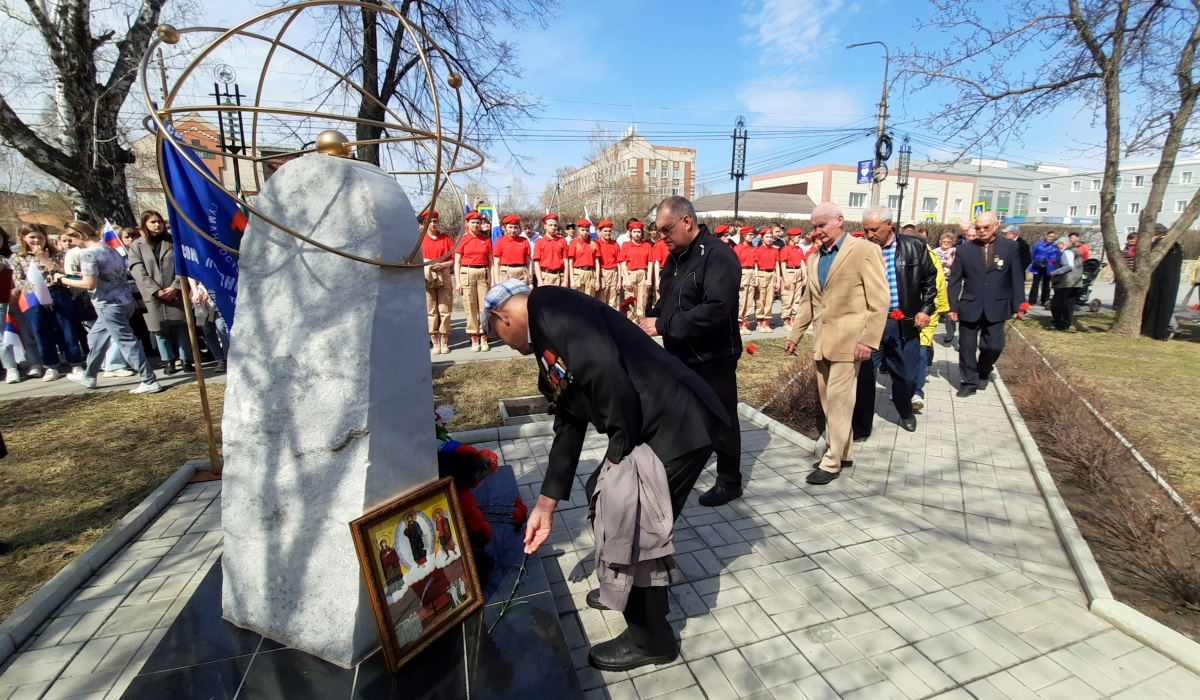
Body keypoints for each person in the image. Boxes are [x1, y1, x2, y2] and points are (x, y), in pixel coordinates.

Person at [488, 280, 728, 671]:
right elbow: (569, 421)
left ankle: (651, 639)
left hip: (679, 424)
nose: (514, 348)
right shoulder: (550, 326)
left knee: (629, 519)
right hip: (659, 424)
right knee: (605, 498)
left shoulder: (550, 306)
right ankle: (625, 587)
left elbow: (605, 371)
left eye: (502, 338)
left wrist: (618, 455)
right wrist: (545, 506)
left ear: (502, 317)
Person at [639, 196, 744, 507]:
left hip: (713, 357)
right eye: (657, 232)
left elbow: (716, 309)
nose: (662, 237)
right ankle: (674, 471)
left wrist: (663, 325)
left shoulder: (718, 256)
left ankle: (729, 481)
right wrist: (651, 315)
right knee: (677, 417)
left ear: (687, 221)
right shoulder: (674, 258)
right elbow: (671, 302)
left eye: (666, 229)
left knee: (721, 420)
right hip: (679, 355)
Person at [785, 202, 888, 484]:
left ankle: (831, 462)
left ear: (839, 221)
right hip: (823, 341)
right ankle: (845, 452)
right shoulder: (815, 258)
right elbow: (808, 301)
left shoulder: (865, 251)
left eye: (822, 225)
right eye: (814, 226)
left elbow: (879, 301)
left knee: (840, 402)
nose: (816, 231)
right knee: (829, 402)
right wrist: (795, 335)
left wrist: (868, 340)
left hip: (850, 341)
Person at [54, 221, 162, 394]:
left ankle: (149, 380)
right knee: (96, 338)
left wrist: (61, 279)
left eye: (72, 239)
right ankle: (89, 375)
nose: (72, 244)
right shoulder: (110, 248)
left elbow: (90, 284)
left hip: (108, 305)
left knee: (127, 342)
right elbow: (110, 273)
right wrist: (83, 275)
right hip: (125, 301)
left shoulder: (88, 254)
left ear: (80, 236)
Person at [860, 205, 938, 432]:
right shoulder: (864, 250)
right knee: (864, 376)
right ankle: (862, 424)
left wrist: (925, 309)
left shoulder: (914, 247)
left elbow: (929, 280)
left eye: (874, 229)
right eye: (866, 230)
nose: (870, 235)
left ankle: (905, 411)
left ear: (889, 225)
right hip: (870, 323)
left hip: (903, 324)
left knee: (905, 377)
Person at [947, 211, 1027, 397]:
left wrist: (1019, 305)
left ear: (996, 226)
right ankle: (968, 381)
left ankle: (983, 370)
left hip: (997, 304)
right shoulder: (965, 249)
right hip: (970, 304)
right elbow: (955, 280)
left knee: (994, 346)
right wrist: (951, 307)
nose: (982, 231)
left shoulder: (1009, 248)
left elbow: (1016, 277)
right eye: (978, 227)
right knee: (967, 346)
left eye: (986, 227)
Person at [11, 223, 84, 379]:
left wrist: (45, 260)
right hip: (33, 296)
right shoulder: (18, 257)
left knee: (66, 328)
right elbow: (18, 280)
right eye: (32, 237)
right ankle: (50, 365)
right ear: (24, 238)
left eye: (40, 237)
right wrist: (36, 290)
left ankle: (75, 362)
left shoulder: (57, 253)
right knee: (41, 330)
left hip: (57, 291)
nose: (37, 241)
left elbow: (64, 273)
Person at [128, 211, 193, 374]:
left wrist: (176, 286)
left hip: (175, 291)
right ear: (145, 225)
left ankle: (186, 359)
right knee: (159, 329)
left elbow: (184, 264)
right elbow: (137, 269)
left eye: (159, 222)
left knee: (182, 327)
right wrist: (155, 290)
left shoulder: (173, 240)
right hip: (153, 293)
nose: (157, 225)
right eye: (152, 222)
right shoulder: (137, 245)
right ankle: (168, 360)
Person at [454, 210, 493, 352]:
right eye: (473, 222)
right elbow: (457, 262)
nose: (476, 225)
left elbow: (491, 262)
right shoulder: (462, 239)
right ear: (467, 224)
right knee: (470, 306)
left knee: (484, 306)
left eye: (478, 222)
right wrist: (458, 281)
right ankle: (473, 336)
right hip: (467, 272)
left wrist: (492, 279)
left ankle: (483, 335)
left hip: (482, 273)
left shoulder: (486, 239)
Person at [420, 210, 454, 355]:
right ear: (425, 223)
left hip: (443, 274)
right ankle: (434, 341)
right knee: (431, 310)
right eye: (430, 221)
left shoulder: (445, 238)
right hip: (427, 276)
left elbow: (452, 258)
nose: (433, 224)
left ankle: (444, 340)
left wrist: (443, 265)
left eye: (435, 221)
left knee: (444, 309)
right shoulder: (420, 239)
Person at [1141, 223, 1184, 340]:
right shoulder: (1176, 246)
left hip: (1156, 279)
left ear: (1155, 233)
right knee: (1165, 305)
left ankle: (1149, 329)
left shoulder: (1157, 245)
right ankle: (1161, 331)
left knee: (1152, 304)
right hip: (1171, 280)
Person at [618, 221, 652, 321]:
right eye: (634, 232)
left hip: (642, 274)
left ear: (642, 233)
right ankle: (631, 322)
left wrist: (649, 278)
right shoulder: (626, 245)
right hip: (630, 274)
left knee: (642, 300)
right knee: (631, 300)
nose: (637, 234)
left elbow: (650, 263)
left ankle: (640, 323)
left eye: (639, 232)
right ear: (630, 232)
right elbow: (623, 263)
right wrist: (627, 279)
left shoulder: (646, 245)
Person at [1047, 237, 1083, 331]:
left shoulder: (1067, 251)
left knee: (1057, 303)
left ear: (1063, 244)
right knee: (1069, 305)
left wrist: (1055, 272)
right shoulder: (1076, 250)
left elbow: (1068, 266)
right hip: (1076, 282)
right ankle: (1066, 324)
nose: (1057, 247)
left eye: (1057, 245)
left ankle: (1057, 323)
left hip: (1066, 282)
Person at [779, 228, 808, 332]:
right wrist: (786, 279)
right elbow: (783, 265)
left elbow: (802, 262)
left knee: (796, 297)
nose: (799, 239)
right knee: (788, 297)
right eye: (798, 237)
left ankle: (793, 317)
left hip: (798, 272)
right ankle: (786, 320)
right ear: (792, 237)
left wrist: (805, 276)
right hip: (789, 272)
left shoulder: (799, 249)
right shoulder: (786, 249)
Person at [752, 230, 780, 332]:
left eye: (771, 237)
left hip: (772, 274)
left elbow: (777, 265)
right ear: (762, 238)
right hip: (762, 273)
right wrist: (757, 277)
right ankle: (760, 321)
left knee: (769, 298)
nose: (769, 239)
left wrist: (778, 280)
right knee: (760, 298)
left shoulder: (775, 250)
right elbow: (755, 265)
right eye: (767, 237)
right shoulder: (758, 250)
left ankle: (766, 322)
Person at [492, 214, 533, 285]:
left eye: (515, 227)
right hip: (506, 271)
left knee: (522, 295)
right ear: (505, 228)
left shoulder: (524, 241)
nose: (513, 230)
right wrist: (497, 281)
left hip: (522, 271)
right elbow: (496, 263)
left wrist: (530, 281)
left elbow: (529, 262)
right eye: (510, 227)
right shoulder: (500, 241)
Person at [934, 233, 959, 346]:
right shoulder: (935, 251)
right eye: (944, 241)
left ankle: (949, 336)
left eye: (949, 242)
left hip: (949, 283)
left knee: (949, 310)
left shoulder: (955, 252)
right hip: (935, 283)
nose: (946, 243)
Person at [533, 213, 569, 288]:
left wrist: (565, 280)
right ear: (545, 226)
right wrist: (540, 281)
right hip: (546, 276)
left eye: (555, 225)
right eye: (550, 225)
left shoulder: (562, 241)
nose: (553, 227)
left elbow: (566, 261)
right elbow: (537, 263)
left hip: (559, 277)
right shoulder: (539, 242)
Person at [733, 226, 758, 334]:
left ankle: (745, 320)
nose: (751, 237)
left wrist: (757, 277)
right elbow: (735, 265)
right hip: (742, 272)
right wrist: (738, 279)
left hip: (751, 272)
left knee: (749, 299)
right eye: (749, 235)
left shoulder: (753, 248)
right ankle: (738, 322)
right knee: (742, 299)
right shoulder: (738, 249)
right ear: (743, 235)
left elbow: (756, 264)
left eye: (752, 235)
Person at [567, 219, 599, 298]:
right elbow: (570, 263)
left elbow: (597, 263)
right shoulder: (573, 243)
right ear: (578, 230)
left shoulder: (593, 244)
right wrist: (572, 280)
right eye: (582, 230)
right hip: (578, 273)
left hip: (590, 274)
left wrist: (597, 280)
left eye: (587, 230)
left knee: (590, 300)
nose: (585, 232)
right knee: (578, 300)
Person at [595, 221, 622, 309]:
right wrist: (597, 278)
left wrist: (619, 280)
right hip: (602, 273)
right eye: (605, 231)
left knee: (613, 300)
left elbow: (619, 263)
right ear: (600, 232)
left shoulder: (615, 244)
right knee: (601, 299)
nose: (608, 233)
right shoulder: (596, 244)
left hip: (613, 272)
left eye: (609, 231)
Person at [1028, 231, 1059, 306]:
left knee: (1046, 283)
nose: (1051, 238)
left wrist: (1053, 260)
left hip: (1049, 266)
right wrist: (1037, 260)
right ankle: (1032, 300)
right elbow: (1033, 254)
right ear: (1046, 236)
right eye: (1050, 236)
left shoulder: (1055, 246)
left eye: (1053, 237)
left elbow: (1058, 255)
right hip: (1038, 265)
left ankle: (1045, 300)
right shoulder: (1039, 244)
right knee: (1035, 283)